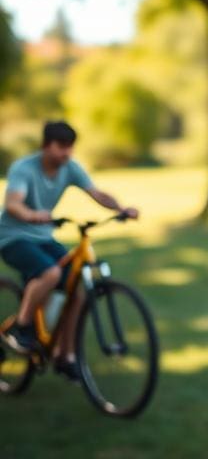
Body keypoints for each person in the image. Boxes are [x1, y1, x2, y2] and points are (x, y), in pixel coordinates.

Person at [0, 120, 138, 380]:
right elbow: (13, 204)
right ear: (46, 146)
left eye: (70, 147)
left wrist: (121, 209)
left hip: (43, 236)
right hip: (12, 237)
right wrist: (31, 215)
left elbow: (97, 193)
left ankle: (66, 355)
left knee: (76, 290)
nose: (67, 152)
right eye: (61, 146)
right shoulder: (24, 168)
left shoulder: (70, 168)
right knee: (51, 273)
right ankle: (22, 326)